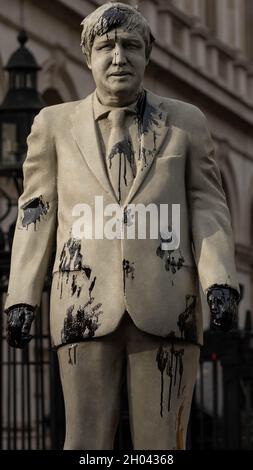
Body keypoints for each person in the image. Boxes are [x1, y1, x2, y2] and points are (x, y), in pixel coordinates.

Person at [4, 2, 239, 450]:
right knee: (85, 442)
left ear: (147, 54)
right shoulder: (52, 125)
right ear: (87, 56)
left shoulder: (186, 122)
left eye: (131, 46)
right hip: (82, 306)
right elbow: (36, 213)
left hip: (169, 307)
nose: (119, 57)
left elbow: (209, 204)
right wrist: (21, 296)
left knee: (163, 446)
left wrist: (220, 281)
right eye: (106, 46)